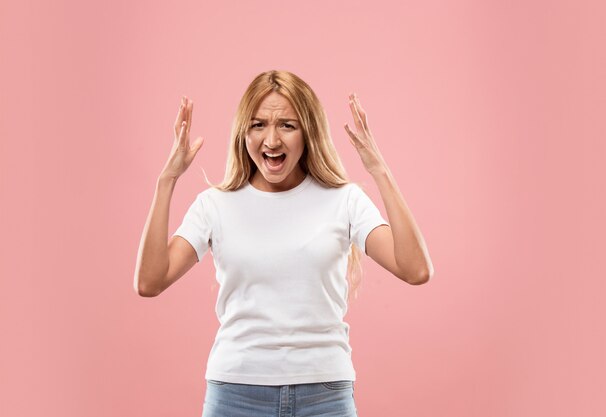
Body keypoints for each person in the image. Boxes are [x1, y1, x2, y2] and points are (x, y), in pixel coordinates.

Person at [134, 70, 434, 417]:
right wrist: (167, 180)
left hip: (325, 395)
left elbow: (415, 269)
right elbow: (150, 281)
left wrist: (379, 170)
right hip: (235, 394)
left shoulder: (344, 200)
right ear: (242, 132)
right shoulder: (215, 205)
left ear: (309, 132)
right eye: (258, 124)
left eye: (287, 126)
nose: (271, 140)